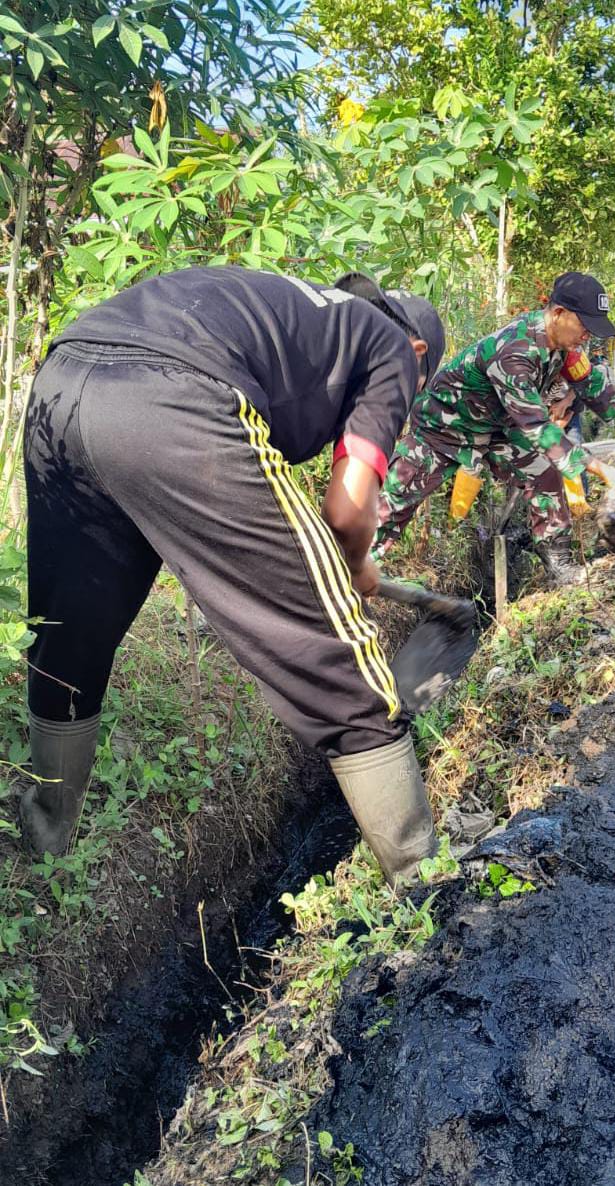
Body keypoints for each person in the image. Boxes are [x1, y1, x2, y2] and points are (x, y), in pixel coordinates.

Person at [21, 266, 446, 886]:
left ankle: (46, 845)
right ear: (418, 355)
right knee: (333, 648)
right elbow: (349, 508)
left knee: (69, 633)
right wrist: (354, 565)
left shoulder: (315, 315)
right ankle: (423, 884)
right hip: (174, 397)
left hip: (62, 386)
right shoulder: (392, 350)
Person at [375, 272, 615, 584]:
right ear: (559, 314)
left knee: (545, 474)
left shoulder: (565, 347)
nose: (587, 337)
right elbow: (538, 428)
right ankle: (353, 571)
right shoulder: (514, 351)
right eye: (585, 326)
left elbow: (589, 381)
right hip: (443, 429)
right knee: (392, 505)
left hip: (497, 429)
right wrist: (601, 470)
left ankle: (559, 565)